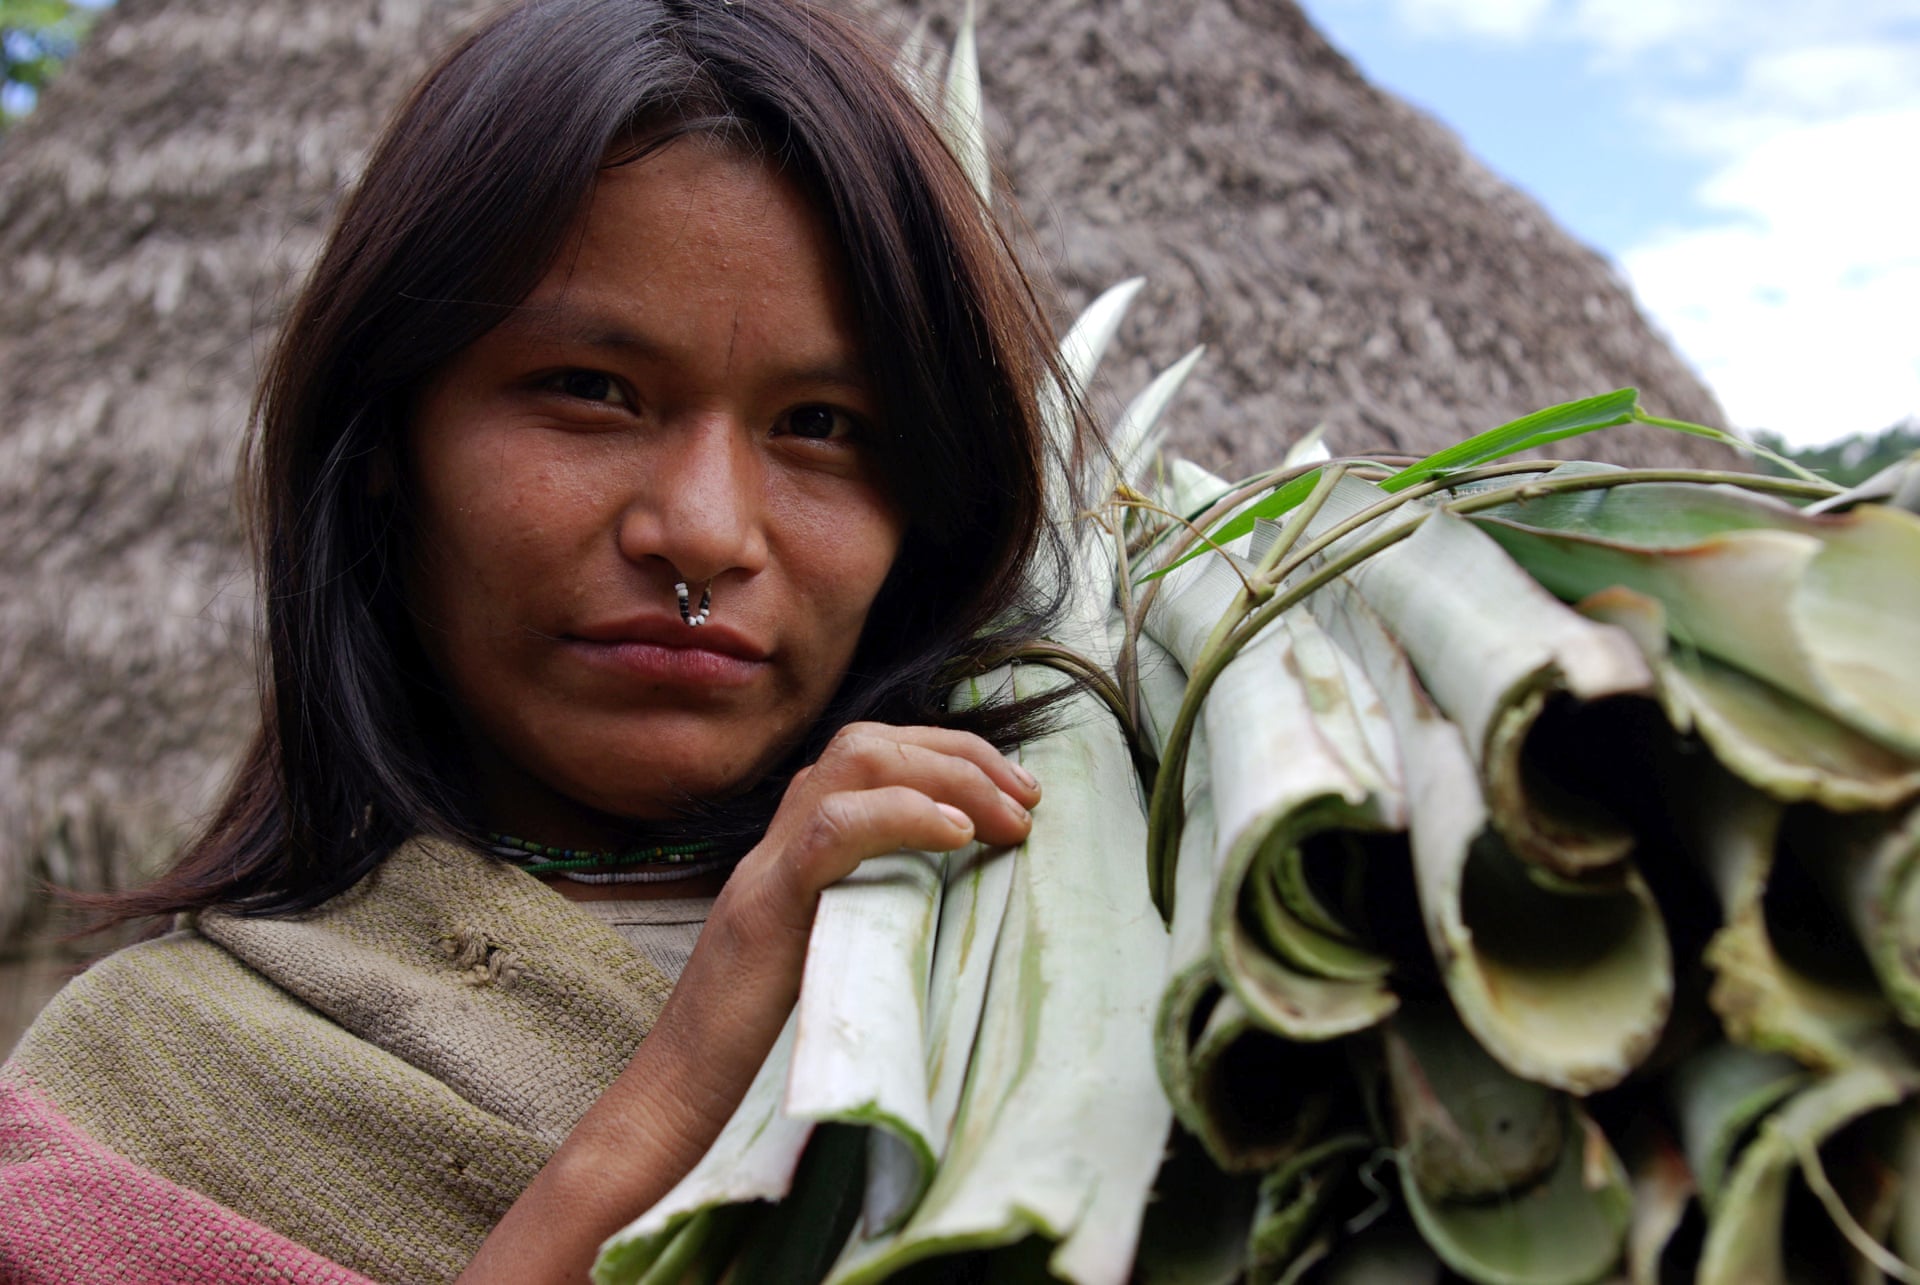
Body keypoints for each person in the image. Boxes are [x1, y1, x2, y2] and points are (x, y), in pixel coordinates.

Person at [0, 0, 1086, 1280]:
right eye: (590, 391)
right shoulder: (148, 1088)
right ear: (388, 448)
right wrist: (676, 1091)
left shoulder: (1085, 949)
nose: (702, 531)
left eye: (824, 423)